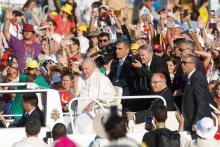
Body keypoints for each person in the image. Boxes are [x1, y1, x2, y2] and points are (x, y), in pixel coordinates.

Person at [181, 54, 212, 133]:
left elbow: (202, 102)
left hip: (197, 124)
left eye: (184, 63)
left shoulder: (197, 78)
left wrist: (197, 122)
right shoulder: (189, 77)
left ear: (193, 64)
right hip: (190, 120)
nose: (182, 65)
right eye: (181, 62)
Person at [3, 9, 40, 73]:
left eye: (29, 31)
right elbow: (6, 32)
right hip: (18, 77)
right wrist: (8, 20)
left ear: (33, 33)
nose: (27, 32)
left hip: (33, 78)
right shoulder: (17, 42)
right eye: (25, 31)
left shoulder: (38, 46)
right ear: (22, 33)